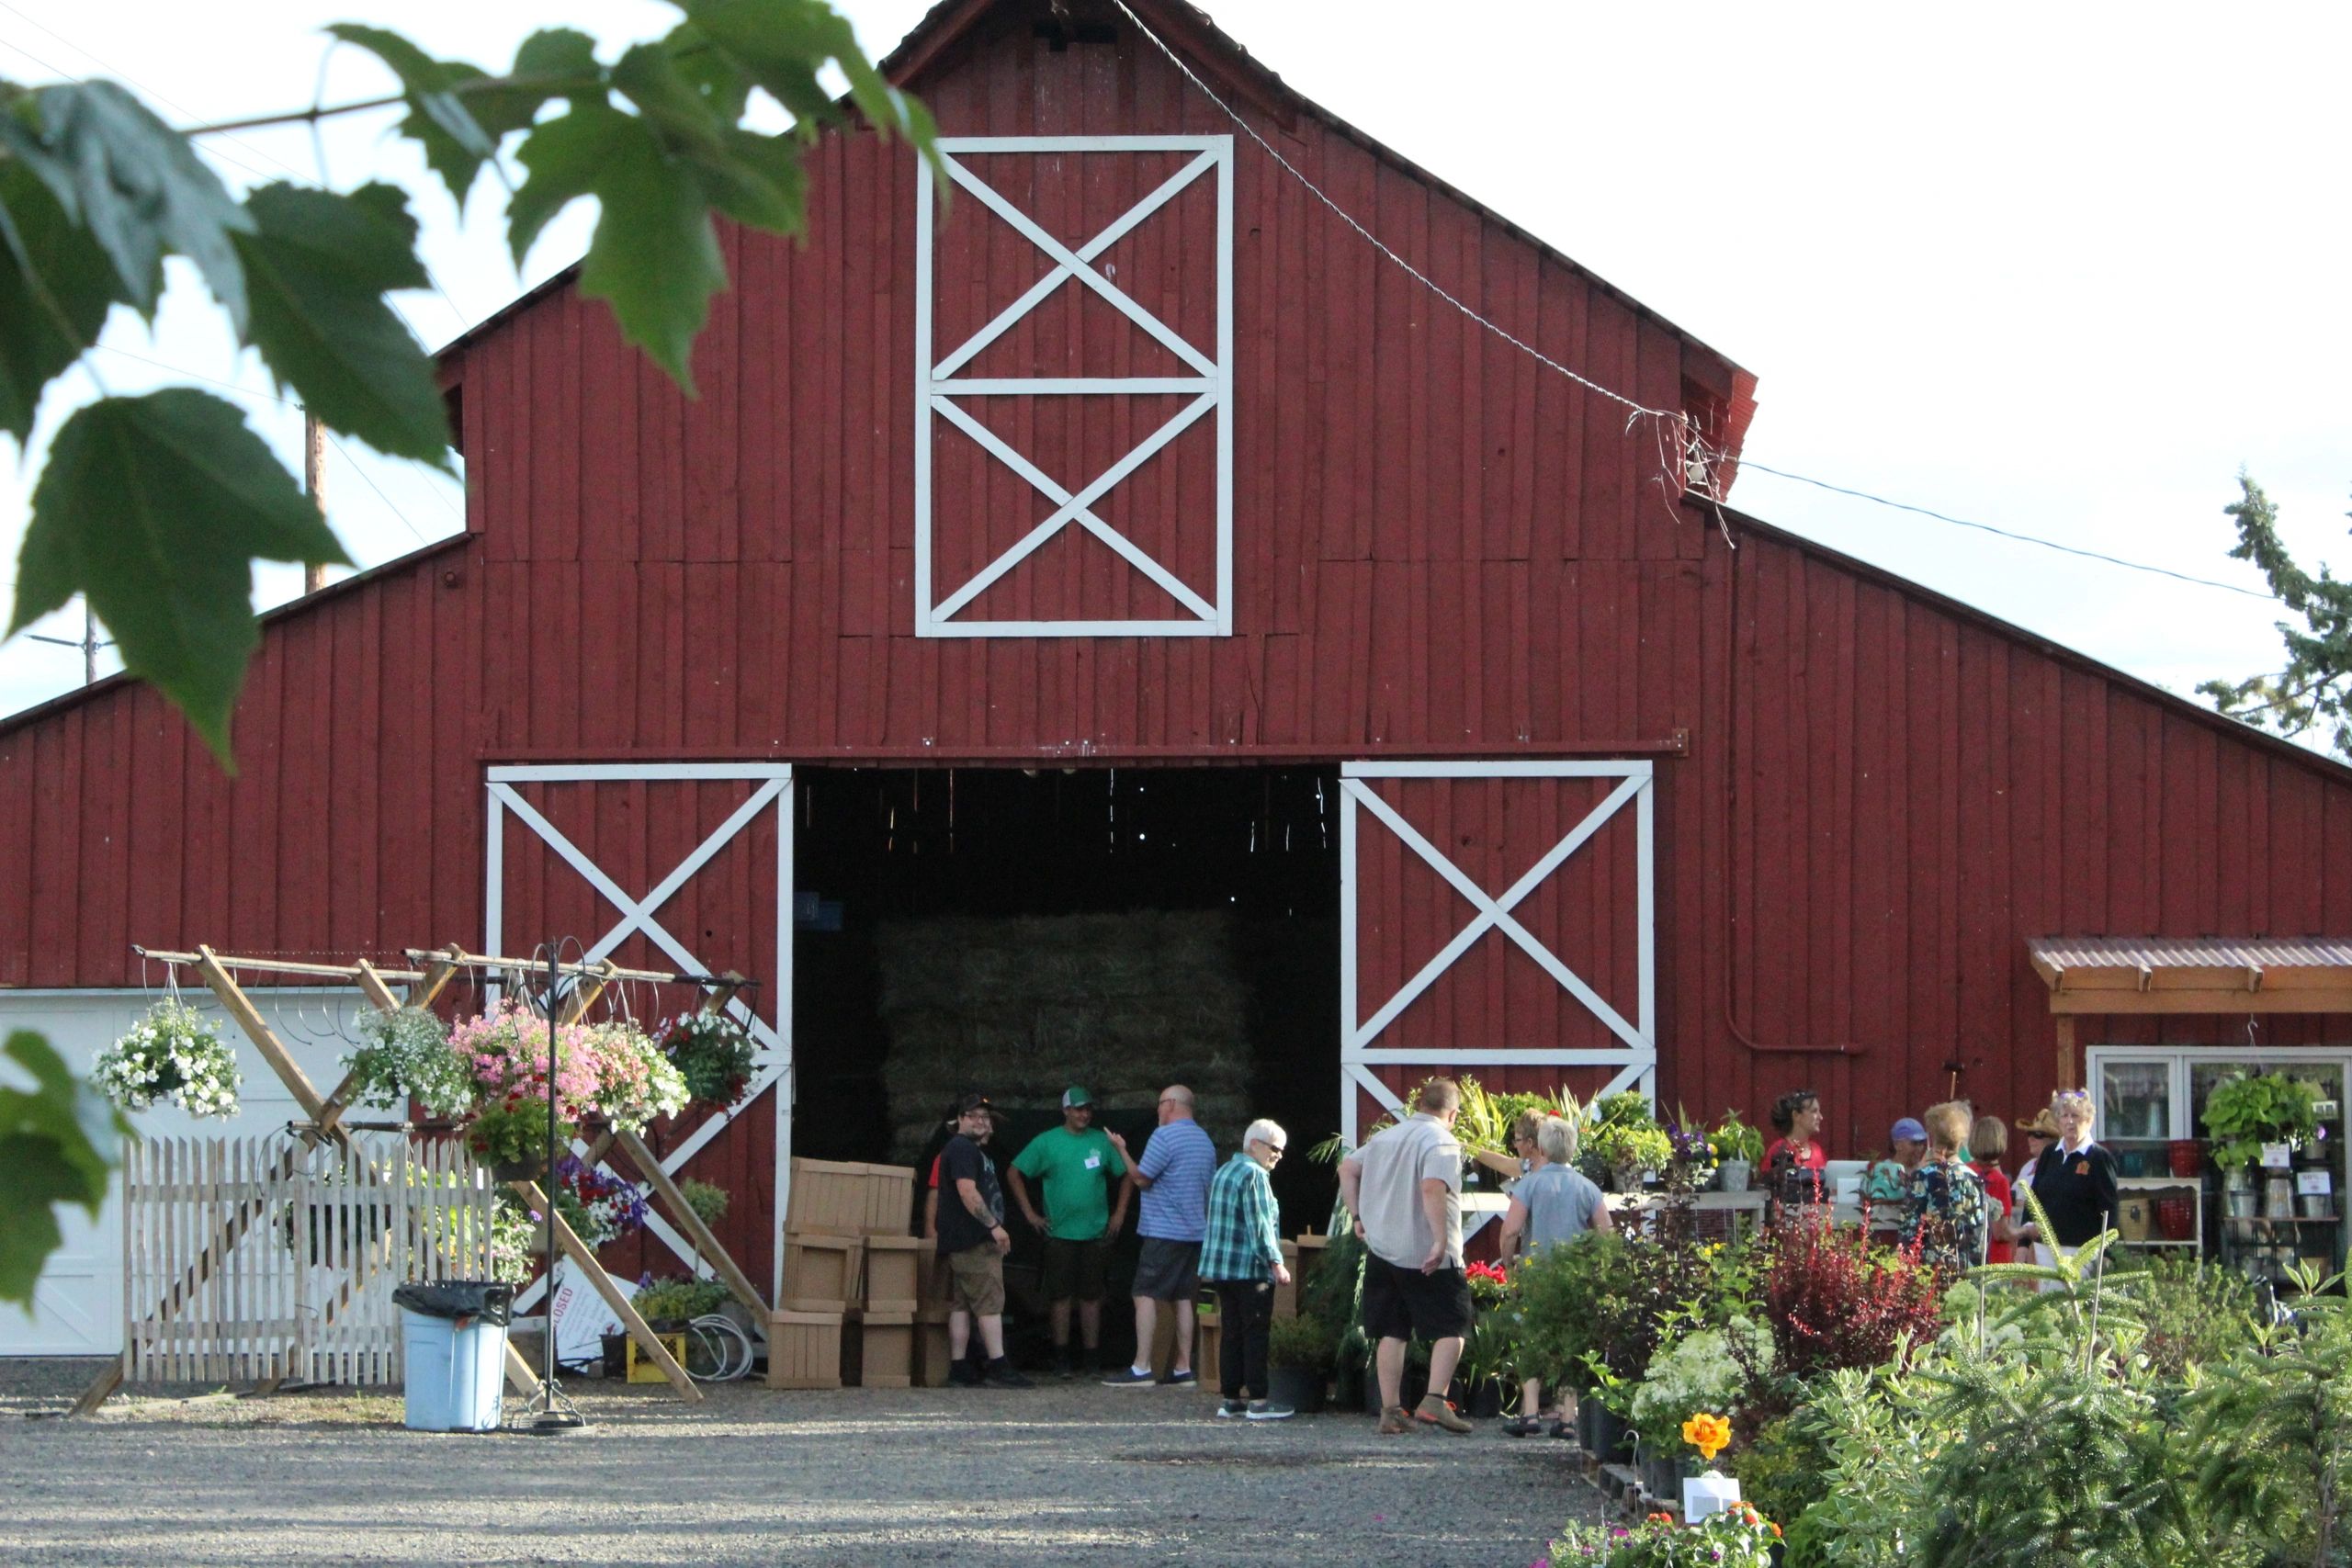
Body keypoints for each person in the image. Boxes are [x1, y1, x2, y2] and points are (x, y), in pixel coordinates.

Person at [1339, 1077, 1475, 1436]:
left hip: (1383, 1249)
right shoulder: (1442, 1140)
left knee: (1392, 1332)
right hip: (1425, 1252)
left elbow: (1346, 1168)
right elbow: (1432, 1186)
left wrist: (1357, 1217)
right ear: (1453, 1114)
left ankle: (1390, 1411)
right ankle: (1433, 1399)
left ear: (1419, 1104)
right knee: (1454, 1325)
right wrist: (1440, 1239)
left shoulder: (1386, 1137)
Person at [1497, 1113, 1610, 1438]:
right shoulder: (1588, 1188)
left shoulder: (1530, 1184)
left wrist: (1508, 1265)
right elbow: (1606, 1234)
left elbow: (1510, 1231)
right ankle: (1568, 1416)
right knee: (1571, 1341)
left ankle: (1530, 1413)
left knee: (1532, 1338)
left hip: (1537, 1272)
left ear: (1542, 1149)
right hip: (1575, 1275)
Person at [1008, 1085, 1130, 1378]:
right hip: (1059, 1233)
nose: (1084, 1114)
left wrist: (1119, 1214)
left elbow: (1127, 1174)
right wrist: (1030, 1214)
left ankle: (1091, 1358)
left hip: (1096, 1233)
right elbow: (1014, 1172)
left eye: (1088, 1109)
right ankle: (1061, 1357)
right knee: (1059, 1297)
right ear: (1065, 1111)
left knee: (1092, 1296)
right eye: (1078, 1109)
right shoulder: (1046, 1142)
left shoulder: (1102, 1142)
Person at [1102, 1084, 1216, 1387]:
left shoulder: (1164, 1136)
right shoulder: (1204, 1140)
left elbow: (1140, 1179)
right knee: (1182, 1298)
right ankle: (1183, 1368)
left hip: (1164, 1232)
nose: (1157, 1110)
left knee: (1144, 1294)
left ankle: (1142, 1367)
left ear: (1172, 1104)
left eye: (1160, 1103)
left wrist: (1121, 1150)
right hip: (1195, 1232)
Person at [1199, 1119, 1295, 1420]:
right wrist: (1276, 1263)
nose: (1278, 1156)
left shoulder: (1224, 1171)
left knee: (1231, 1333)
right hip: (1250, 1270)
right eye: (1275, 1149)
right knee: (1255, 1334)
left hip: (1222, 1270)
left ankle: (1231, 1400)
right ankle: (1259, 1401)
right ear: (1255, 1144)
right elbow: (1261, 1224)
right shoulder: (1254, 1175)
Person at [933, 1093, 1031, 1389]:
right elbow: (967, 1191)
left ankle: (959, 1368)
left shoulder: (964, 1150)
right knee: (990, 1305)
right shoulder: (962, 1149)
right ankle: (999, 1366)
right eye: (973, 1116)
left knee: (962, 1306)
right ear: (959, 1120)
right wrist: (994, 1227)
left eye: (985, 1118)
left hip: (961, 1242)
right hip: (974, 1241)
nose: (981, 1122)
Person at [2021, 1089, 2119, 1289]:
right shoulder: (2050, 1154)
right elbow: (2034, 1199)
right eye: (2064, 1116)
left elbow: (2110, 1209)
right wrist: (2022, 1244)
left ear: (2089, 1120)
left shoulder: (2099, 1158)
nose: (2069, 1122)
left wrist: (2107, 1253)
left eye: (2076, 1116)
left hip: (2082, 1254)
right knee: (2047, 1312)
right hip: (2045, 1251)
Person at [1901, 1100, 1988, 1279]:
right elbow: (1981, 1232)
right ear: (1961, 1141)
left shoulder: (1924, 1177)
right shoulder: (1974, 1179)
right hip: (1968, 1270)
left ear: (1931, 1138)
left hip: (1931, 1273)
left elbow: (1909, 1230)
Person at [1761, 1089, 1828, 1223]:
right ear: (1796, 1116)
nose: (1820, 1117)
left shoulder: (1817, 1151)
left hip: (1816, 1225)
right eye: (1814, 1111)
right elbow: (1771, 1192)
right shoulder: (1779, 1150)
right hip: (1786, 1226)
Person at [1865, 1117, 1929, 1243]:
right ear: (1897, 1144)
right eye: (1914, 1143)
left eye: (1922, 1143)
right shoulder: (1882, 1171)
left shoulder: (1927, 1172)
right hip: (1885, 1235)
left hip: (1919, 1239)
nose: (1920, 1148)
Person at [1967, 1113, 2016, 1265]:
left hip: (1968, 1257)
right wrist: (2025, 1231)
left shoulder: (1965, 1170)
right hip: (1994, 1260)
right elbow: (2000, 1233)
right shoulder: (1999, 1181)